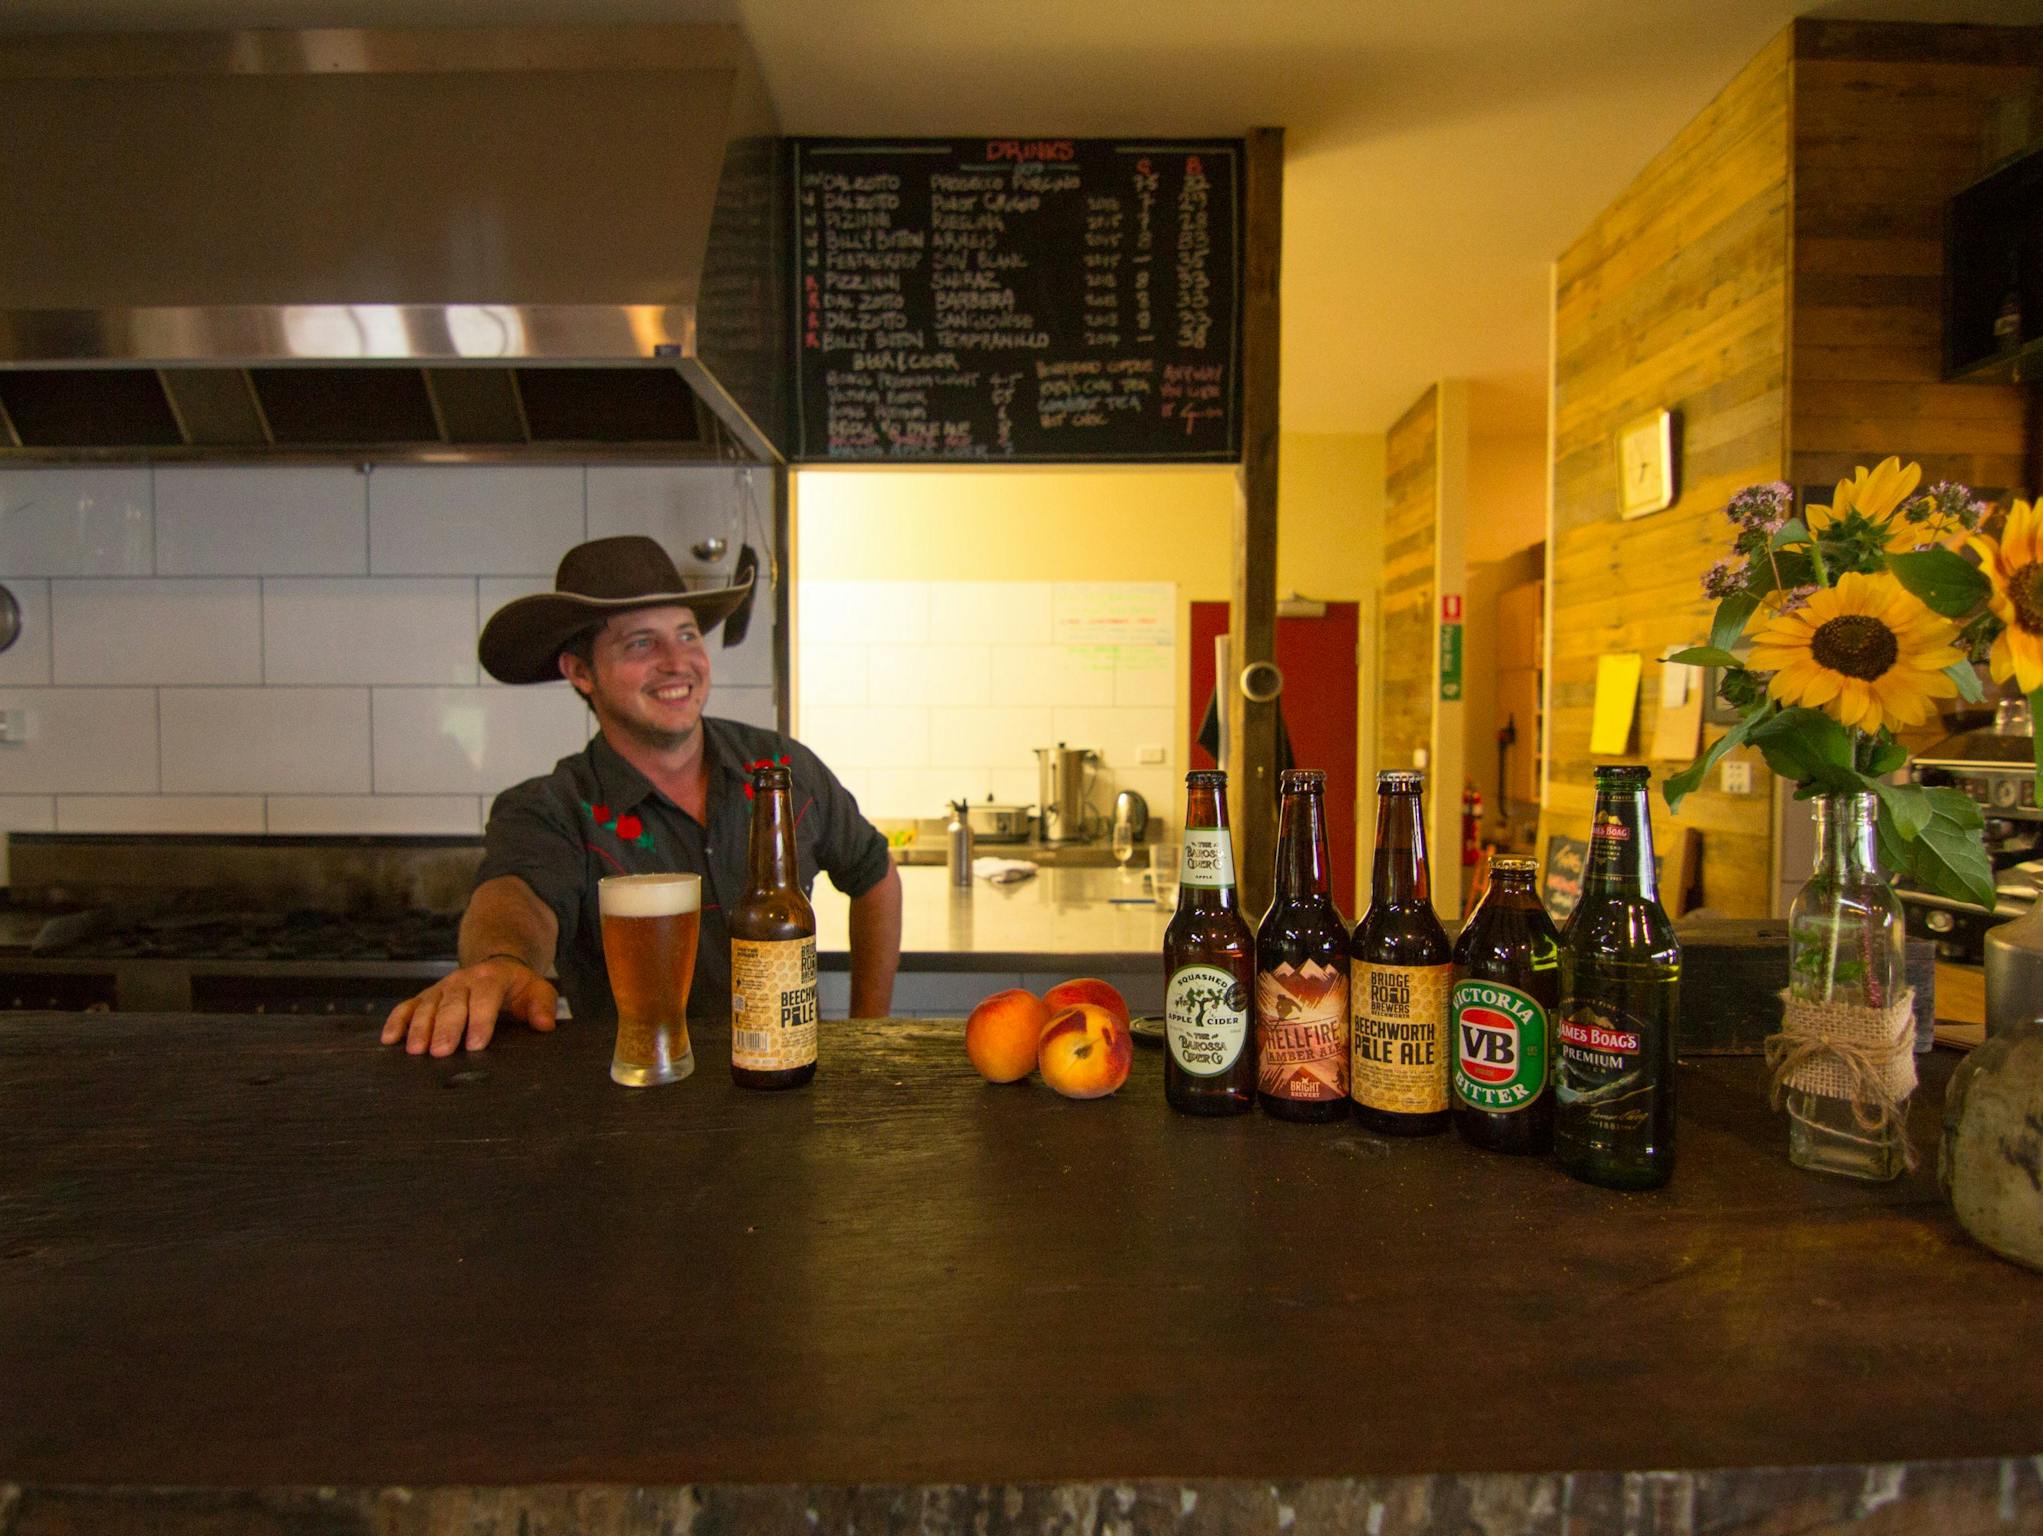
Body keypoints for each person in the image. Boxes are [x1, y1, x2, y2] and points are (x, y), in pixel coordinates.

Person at [382, 535, 902, 1057]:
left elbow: (874, 873)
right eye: (641, 643)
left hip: (785, 1083)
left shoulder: (781, 768)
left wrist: (869, 1030)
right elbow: (516, 896)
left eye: (687, 635)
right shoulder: (554, 807)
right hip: (636, 1104)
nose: (678, 662)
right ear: (580, 672)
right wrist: (499, 963)